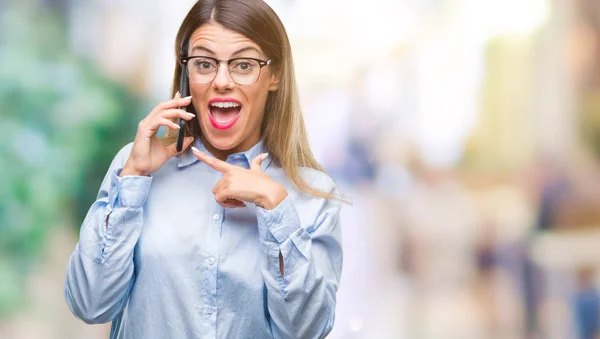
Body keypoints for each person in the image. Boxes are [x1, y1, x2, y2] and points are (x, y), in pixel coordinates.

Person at [64, 1, 344, 338]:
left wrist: (276, 207)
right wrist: (132, 178)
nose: (222, 81)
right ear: (186, 74)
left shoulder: (312, 193)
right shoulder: (137, 169)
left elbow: (306, 331)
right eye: (204, 63)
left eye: (243, 65)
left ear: (275, 75)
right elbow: (89, 305)